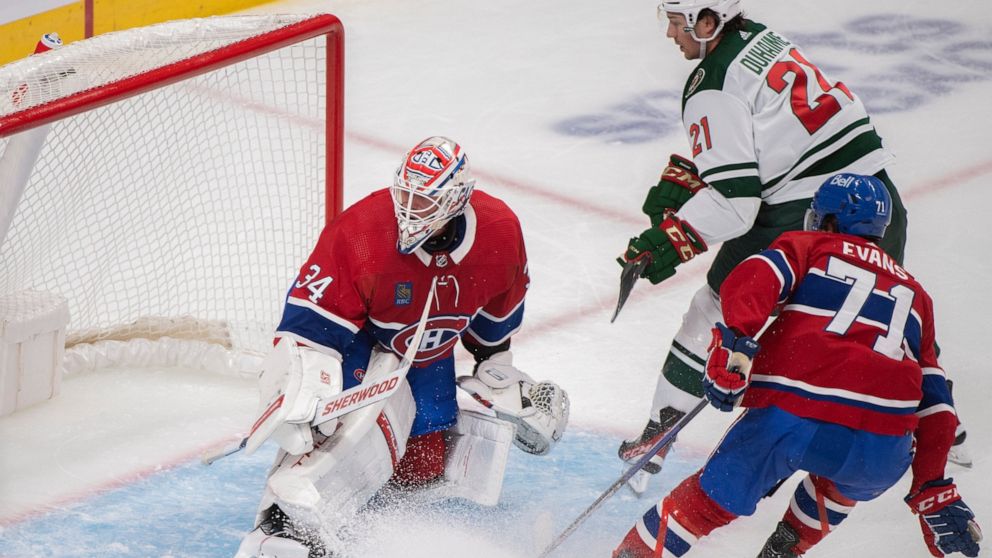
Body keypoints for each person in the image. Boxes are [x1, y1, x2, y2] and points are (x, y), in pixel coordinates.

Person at [615, 0, 968, 492]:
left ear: (709, 20)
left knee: (714, 305)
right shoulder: (762, 39)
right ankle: (940, 422)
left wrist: (666, 240)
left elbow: (737, 204)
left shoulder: (709, 86)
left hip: (809, 213)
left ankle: (659, 437)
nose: (671, 34)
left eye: (678, 22)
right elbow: (777, 135)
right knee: (881, 311)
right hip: (877, 202)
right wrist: (703, 169)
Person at [613, 174, 982, 558]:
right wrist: (931, 486)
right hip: (881, 448)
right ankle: (786, 549)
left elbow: (751, 279)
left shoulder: (808, 245)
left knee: (703, 508)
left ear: (829, 221)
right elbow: (938, 406)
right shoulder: (917, 295)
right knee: (843, 478)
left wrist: (736, 340)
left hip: (791, 418)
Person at [233, 136, 570, 558]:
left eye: (425, 202)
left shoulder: (499, 232)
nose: (411, 210)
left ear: (457, 201)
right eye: (406, 194)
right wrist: (304, 386)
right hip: (360, 340)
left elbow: (493, 329)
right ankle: (283, 529)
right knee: (343, 431)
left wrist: (499, 377)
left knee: (424, 462)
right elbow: (309, 328)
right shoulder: (360, 233)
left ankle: (366, 530)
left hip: (428, 351)